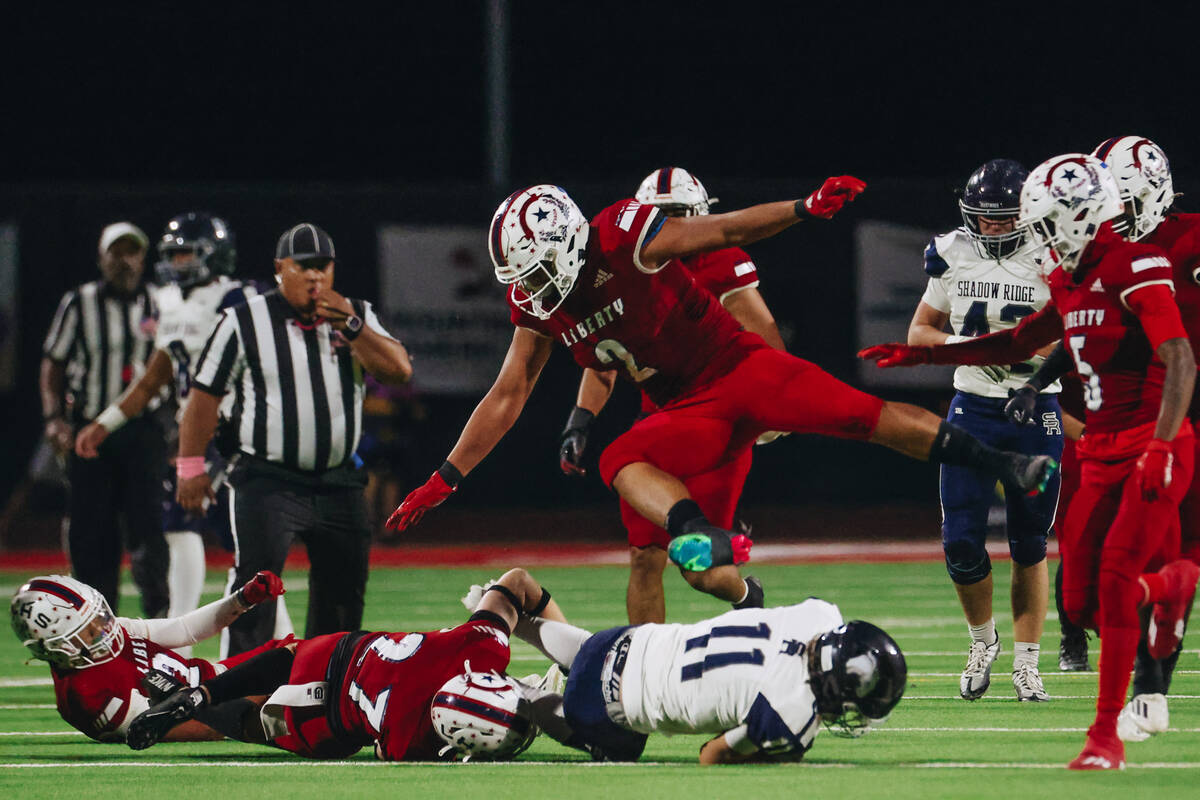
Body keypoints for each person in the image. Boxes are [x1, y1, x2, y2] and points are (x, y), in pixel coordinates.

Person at [387, 181, 1059, 595]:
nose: (529, 291)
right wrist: (443, 479)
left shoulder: (625, 235)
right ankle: (700, 533)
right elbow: (508, 393)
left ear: (566, 244)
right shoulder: (540, 306)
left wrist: (802, 207)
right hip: (687, 407)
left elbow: (728, 229)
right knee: (620, 459)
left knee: (866, 416)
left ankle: (1007, 465)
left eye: (536, 271)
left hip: (739, 366)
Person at [860, 152, 1200, 770]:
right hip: (1086, 443)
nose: (1031, 234)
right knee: (1079, 599)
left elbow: (1176, 357)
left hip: (1136, 437)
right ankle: (1168, 590)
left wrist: (1160, 442)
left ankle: (1104, 725)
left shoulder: (1135, 263)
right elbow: (1019, 339)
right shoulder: (1062, 275)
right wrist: (920, 359)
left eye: (1041, 221)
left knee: (1083, 567)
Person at [1010, 136, 1200, 741]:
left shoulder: (1185, 238)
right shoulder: (1096, 260)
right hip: (1128, 422)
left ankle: (1150, 692)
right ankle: (1120, 666)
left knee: (1172, 555)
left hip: (1177, 414)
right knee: (1104, 572)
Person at [560, 167, 786, 624]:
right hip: (658, 426)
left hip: (714, 423)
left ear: (699, 217)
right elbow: (604, 358)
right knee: (644, 557)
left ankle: (746, 596)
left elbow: (767, 339)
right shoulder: (621, 272)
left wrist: (769, 409)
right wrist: (580, 420)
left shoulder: (719, 266)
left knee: (699, 568)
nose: (669, 229)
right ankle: (644, 672)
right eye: (658, 218)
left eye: (678, 216)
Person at [175, 223, 413, 657]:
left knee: (342, 599)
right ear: (280, 269)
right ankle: (241, 700)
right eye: (303, 267)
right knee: (255, 593)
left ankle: (322, 698)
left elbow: (399, 372)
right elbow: (204, 395)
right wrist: (190, 466)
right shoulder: (245, 319)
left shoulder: (355, 313)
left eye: (322, 267)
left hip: (339, 482)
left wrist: (355, 326)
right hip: (268, 479)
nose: (314, 277)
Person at [74, 213, 281, 649]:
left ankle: (264, 641)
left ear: (214, 255)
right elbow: (154, 378)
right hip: (202, 434)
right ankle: (186, 633)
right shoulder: (167, 301)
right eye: (173, 253)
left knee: (246, 546)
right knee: (182, 523)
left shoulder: (239, 297)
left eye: (187, 252)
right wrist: (105, 423)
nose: (178, 261)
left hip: (241, 431)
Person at [905, 158, 1067, 702]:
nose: (993, 227)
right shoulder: (950, 250)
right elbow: (920, 332)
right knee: (960, 541)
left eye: (1003, 219)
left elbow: (1073, 342)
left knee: (1029, 542)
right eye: (984, 218)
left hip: (1036, 408)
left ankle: (1028, 663)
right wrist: (973, 348)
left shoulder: (1053, 252)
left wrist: (1018, 348)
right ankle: (982, 642)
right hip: (972, 407)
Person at [123, 568, 567, 760]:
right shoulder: (414, 743)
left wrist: (567, 656)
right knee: (251, 725)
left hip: (339, 650)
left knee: (291, 659)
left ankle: (200, 690)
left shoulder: (479, 649)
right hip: (324, 721)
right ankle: (198, 703)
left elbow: (519, 582)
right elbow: (381, 749)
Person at [462, 576, 906, 763]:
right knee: (626, 748)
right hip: (603, 709)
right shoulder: (790, 715)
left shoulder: (820, 617)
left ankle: (496, 607)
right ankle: (516, 696)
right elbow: (711, 755)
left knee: (595, 656)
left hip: (620, 640)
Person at [40, 222, 169, 617]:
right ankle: (96, 624)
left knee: (149, 532)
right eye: (117, 252)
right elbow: (53, 363)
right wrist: (54, 418)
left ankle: (159, 629)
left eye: (132, 252)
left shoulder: (160, 302)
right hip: (88, 433)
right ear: (101, 258)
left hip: (143, 431)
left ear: (143, 259)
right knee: (92, 535)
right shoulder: (80, 302)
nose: (125, 261)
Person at [9, 570, 285, 743]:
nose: (103, 628)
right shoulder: (87, 696)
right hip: (225, 706)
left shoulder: (111, 633)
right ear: (54, 649)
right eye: (88, 631)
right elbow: (203, 726)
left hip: (222, 676)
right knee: (304, 679)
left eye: (97, 617)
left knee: (302, 653)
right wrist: (262, 691)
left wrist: (243, 599)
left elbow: (183, 629)